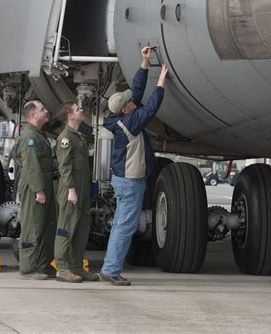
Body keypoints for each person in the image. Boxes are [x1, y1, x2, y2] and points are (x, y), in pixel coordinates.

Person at [100, 46, 168, 286]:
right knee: (125, 226)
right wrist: (160, 83)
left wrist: (144, 62)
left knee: (121, 223)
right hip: (130, 182)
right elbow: (151, 108)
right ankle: (111, 270)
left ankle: (109, 266)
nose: (134, 100)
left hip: (123, 179)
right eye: (130, 101)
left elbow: (137, 92)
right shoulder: (132, 123)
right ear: (126, 108)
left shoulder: (120, 118)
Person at [54, 101, 98, 283]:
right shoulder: (65, 138)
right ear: (70, 116)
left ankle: (76, 265)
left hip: (83, 189)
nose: (82, 110)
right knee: (67, 227)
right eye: (77, 109)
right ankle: (63, 267)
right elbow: (65, 167)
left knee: (81, 227)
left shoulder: (79, 137)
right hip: (71, 190)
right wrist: (71, 189)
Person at [16, 99, 56, 279]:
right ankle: (28, 268)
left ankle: (43, 265)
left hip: (44, 184)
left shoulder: (39, 134)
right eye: (42, 109)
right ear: (33, 115)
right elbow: (31, 166)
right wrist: (39, 190)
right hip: (35, 186)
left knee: (46, 225)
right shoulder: (29, 137)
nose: (46, 111)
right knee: (33, 225)